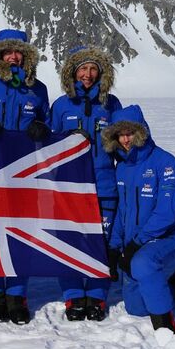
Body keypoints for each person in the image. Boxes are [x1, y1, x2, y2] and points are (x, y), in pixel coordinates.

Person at [0, 29, 50, 324]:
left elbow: (47, 122)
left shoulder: (37, 89)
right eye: (7, 52)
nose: (13, 57)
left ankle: (17, 294)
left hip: (23, 175)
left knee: (21, 232)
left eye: (18, 52)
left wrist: (42, 128)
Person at [102, 105, 175, 335]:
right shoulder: (122, 167)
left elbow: (166, 213)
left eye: (130, 133)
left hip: (165, 238)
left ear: (141, 131)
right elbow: (122, 212)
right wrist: (115, 248)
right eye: (120, 134)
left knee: (142, 262)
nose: (125, 139)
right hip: (133, 242)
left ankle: (166, 326)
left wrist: (136, 245)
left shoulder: (165, 163)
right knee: (136, 308)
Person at [50, 46, 122, 321]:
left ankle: (96, 296)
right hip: (69, 186)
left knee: (100, 243)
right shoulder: (61, 106)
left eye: (93, 69)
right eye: (83, 68)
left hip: (104, 186)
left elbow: (124, 142)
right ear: (73, 72)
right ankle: (73, 296)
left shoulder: (111, 105)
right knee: (69, 241)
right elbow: (48, 146)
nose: (88, 74)